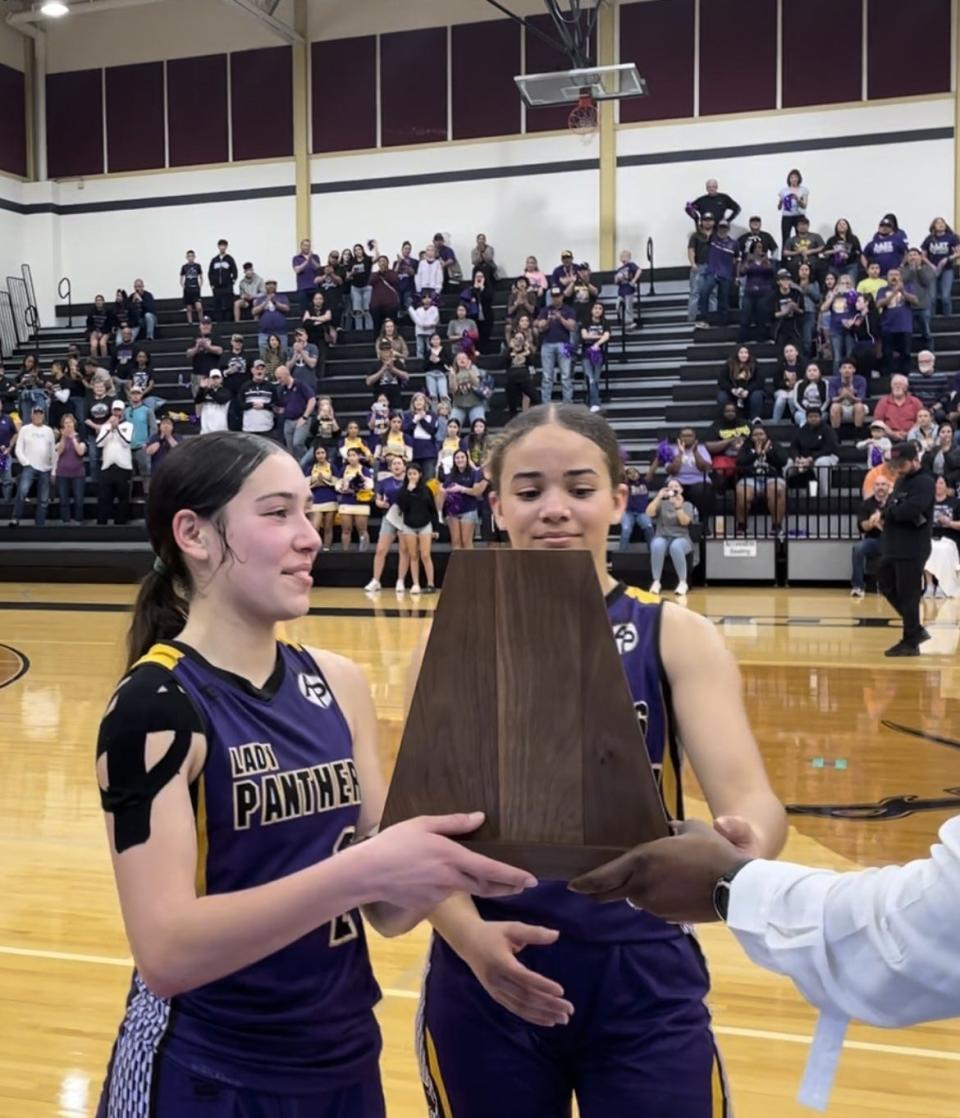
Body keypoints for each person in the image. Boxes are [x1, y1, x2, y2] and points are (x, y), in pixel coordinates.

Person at [93, 431, 536, 1117]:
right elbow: (167, 952)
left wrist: (473, 835)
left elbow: (389, 911)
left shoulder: (339, 682)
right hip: (207, 1072)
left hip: (345, 1061)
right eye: (278, 514)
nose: (310, 536)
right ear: (195, 534)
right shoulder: (153, 706)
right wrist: (369, 870)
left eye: (308, 510)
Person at [417, 404, 785, 1118]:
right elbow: (416, 836)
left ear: (619, 500)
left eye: (580, 489)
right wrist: (470, 938)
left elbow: (751, 797)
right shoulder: (458, 639)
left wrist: (745, 849)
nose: (555, 510)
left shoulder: (674, 634)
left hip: (642, 969)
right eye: (529, 492)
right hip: (487, 970)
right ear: (497, 506)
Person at [878, 440, 936, 655]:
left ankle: (910, 642)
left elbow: (909, 511)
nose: (897, 467)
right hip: (895, 544)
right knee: (885, 583)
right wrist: (889, 511)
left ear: (915, 460)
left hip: (913, 546)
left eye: (902, 463)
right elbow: (892, 505)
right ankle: (915, 629)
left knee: (908, 594)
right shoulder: (902, 481)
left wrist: (891, 511)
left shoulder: (924, 482)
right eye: (895, 463)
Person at [364, 454, 410, 592]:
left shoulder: (410, 481)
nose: (396, 466)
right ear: (390, 467)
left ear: (404, 466)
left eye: (399, 463)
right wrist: (380, 503)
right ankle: (376, 580)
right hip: (389, 516)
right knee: (381, 549)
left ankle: (400, 581)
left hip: (405, 517)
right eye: (394, 464)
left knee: (404, 550)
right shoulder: (385, 482)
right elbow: (378, 499)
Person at [646, 478, 697, 596]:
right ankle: (656, 581)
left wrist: (678, 507)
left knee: (675, 547)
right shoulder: (661, 504)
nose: (673, 488)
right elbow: (649, 513)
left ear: (681, 489)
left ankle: (683, 582)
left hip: (681, 537)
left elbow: (685, 522)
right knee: (657, 545)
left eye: (676, 486)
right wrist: (658, 497)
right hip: (662, 535)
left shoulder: (687, 505)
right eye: (670, 487)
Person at [395, 461, 438, 594]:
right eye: (409, 474)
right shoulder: (403, 491)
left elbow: (433, 510)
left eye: (414, 474)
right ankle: (416, 584)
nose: (412, 476)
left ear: (420, 475)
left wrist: (435, 528)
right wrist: (408, 491)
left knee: (425, 555)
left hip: (425, 524)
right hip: (409, 525)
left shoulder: (427, 490)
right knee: (413, 555)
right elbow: (402, 507)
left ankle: (431, 584)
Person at [9, 405, 54, 527]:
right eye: (36, 413)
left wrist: (52, 467)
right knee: (22, 492)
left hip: (45, 467)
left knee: (44, 498)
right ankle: (15, 518)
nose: (38, 416)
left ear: (44, 415)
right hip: (29, 466)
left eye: (40, 413)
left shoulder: (49, 431)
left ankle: (40, 523)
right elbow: (18, 449)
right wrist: (26, 462)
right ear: (31, 415)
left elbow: (52, 451)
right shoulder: (25, 429)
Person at [850, 473, 890, 598]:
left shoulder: (893, 503)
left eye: (883, 484)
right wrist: (872, 522)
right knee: (858, 548)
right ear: (874, 488)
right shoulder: (866, 505)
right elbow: (862, 527)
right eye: (877, 485)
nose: (880, 487)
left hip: (893, 541)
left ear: (888, 487)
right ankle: (858, 586)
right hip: (874, 540)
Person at [439, 448, 485, 550]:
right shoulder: (451, 475)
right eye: (457, 458)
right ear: (454, 460)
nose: (460, 460)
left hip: (468, 509)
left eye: (462, 457)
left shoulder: (474, 474)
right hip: (453, 511)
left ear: (467, 459)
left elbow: (476, 492)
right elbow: (444, 490)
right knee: (455, 541)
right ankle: (458, 565)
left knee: (466, 541)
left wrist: (461, 489)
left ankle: (469, 565)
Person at [336, 445, 373, 551]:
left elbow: (370, 485)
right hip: (346, 502)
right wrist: (342, 488)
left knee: (362, 530)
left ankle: (363, 553)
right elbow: (338, 483)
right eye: (349, 456)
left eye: (353, 455)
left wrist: (359, 487)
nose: (351, 458)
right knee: (346, 530)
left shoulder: (365, 469)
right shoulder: (343, 469)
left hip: (360, 503)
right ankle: (345, 552)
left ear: (359, 456)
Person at [305, 443, 339, 550]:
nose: (320, 455)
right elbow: (306, 485)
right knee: (315, 527)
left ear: (326, 454)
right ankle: (315, 549)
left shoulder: (332, 467)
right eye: (318, 453)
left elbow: (337, 483)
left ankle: (326, 548)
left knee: (328, 527)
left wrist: (324, 481)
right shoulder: (310, 468)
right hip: (316, 500)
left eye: (322, 453)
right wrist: (316, 483)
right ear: (315, 455)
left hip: (330, 499)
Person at [208, 239, 238, 322]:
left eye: (224, 246)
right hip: (217, 288)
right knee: (217, 305)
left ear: (226, 247)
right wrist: (212, 284)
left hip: (227, 287)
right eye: (221, 245)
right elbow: (210, 273)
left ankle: (228, 322)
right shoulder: (214, 260)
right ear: (218, 247)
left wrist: (233, 281)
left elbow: (235, 271)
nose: (222, 247)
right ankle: (219, 323)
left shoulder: (230, 259)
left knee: (228, 305)